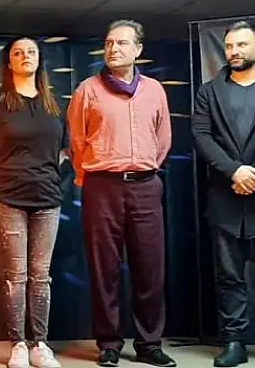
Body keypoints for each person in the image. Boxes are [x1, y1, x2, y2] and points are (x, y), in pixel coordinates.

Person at [67, 20, 176, 367]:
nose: (113, 49)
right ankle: (109, 343)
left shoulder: (155, 90)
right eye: (109, 43)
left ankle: (149, 343)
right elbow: (76, 141)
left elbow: (163, 140)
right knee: (105, 268)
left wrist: (143, 167)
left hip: (146, 185)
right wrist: (94, 172)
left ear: (138, 50)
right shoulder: (88, 90)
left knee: (150, 267)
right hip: (102, 186)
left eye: (122, 43)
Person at [0, 37, 65, 368]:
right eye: (18, 53)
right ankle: (19, 345)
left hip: (48, 199)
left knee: (41, 276)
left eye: (31, 52)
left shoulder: (53, 104)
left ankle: (40, 344)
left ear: (39, 60)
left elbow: (65, 150)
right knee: (17, 276)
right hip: (7, 198)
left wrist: (46, 175)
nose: (25, 56)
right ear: (8, 62)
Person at [191, 20, 255, 368]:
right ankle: (234, 342)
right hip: (225, 197)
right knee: (229, 276)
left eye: (242, 45)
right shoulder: (209, 91)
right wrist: (234, 171)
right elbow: (201, 136)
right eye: (230, 46)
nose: (234, 51)